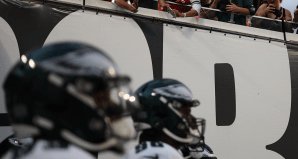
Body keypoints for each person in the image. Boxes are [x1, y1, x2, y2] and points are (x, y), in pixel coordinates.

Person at [1, 42, 139, 158]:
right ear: (60, 101)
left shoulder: (19, 150)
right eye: (101, 98)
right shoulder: (67, 155)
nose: (113, 106)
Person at [124, 78, 205, 159]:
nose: (193, 119)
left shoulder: (134, 153)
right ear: (162, 116)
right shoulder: (166, 154)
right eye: (186, 112)